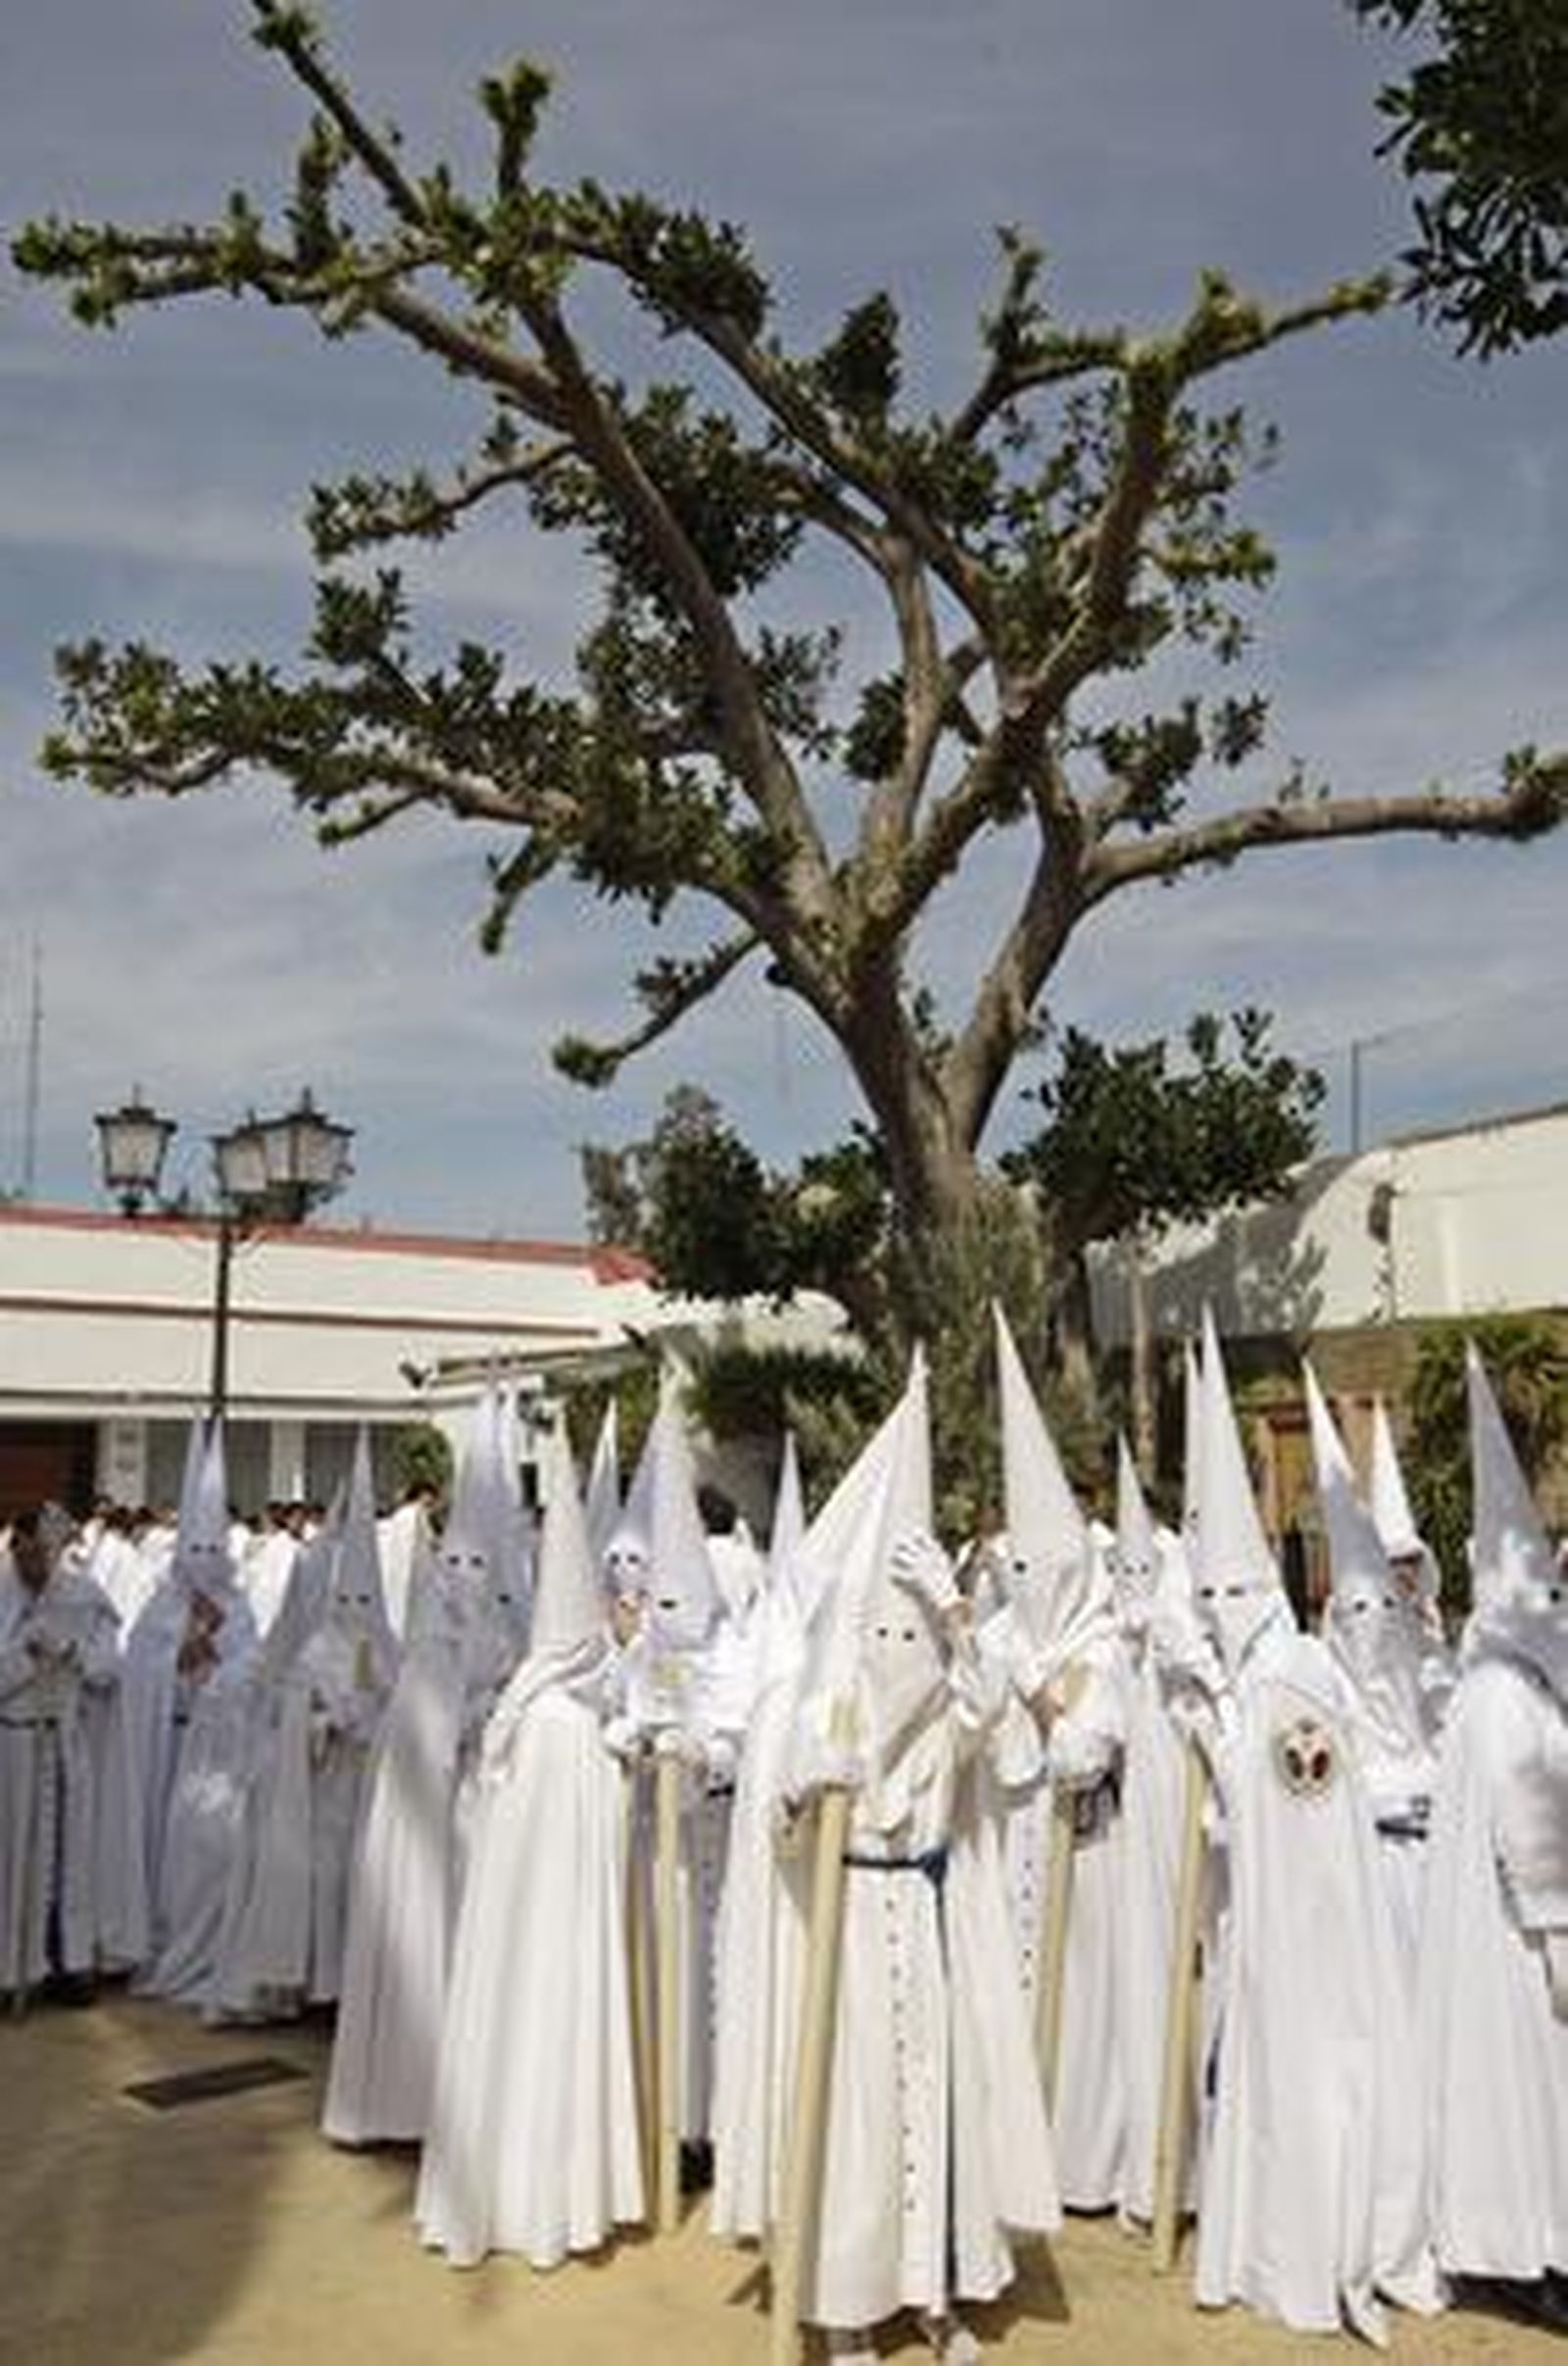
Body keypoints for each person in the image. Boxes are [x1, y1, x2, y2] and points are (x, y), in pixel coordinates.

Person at [762, 1356, 1061, 2364]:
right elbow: (783, 1810)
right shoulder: (823, 1705)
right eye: (885, 1627)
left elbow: (989, 1716)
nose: (901, 1648)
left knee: (934, 2109)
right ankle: (846, 2300)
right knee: (856, 2118)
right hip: (847, 1939)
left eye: (913, 1630)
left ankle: (934, 2292)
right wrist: (811, 1783)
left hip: (926, 1928)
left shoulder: (944, 1702)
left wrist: (961, 1621)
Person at [1191, 1309, 1440, 2345]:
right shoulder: (1252, 1674)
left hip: (1322, 1932)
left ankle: (1336, 2245)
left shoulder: (1287, 1675)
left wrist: (1225, 1769)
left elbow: (1299, 1793)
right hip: (1273, 1929)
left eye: (1226, 1587)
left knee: (1328, 2074)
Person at [416, 1419, 644, 2267]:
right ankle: (554, 2197)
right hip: (563, 1935)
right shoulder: (571, 1722)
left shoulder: (520, 1707)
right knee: (553, 2039)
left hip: (509, 1940)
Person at [1417, 1346, 1568, 2326]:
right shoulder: (1503, 1692)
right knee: (1523, 2097)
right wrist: (1556, 1937)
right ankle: (1528, 2252)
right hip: (1521, 1942)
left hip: (1512, 1934)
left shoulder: (1508, 1681)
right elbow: (1530, 1830)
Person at [0, 1505, 126, 2004]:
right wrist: (25, 1655)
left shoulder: (83, 1595)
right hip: (13, 1743)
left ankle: (69, 1961)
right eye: (27, 1556)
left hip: (65, 1740)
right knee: (14, 1855)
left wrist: (75, 1654)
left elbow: (109, 1668)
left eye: (44, 1556)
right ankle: (12, 1967)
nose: (36, 1567)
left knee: (69, 1852)